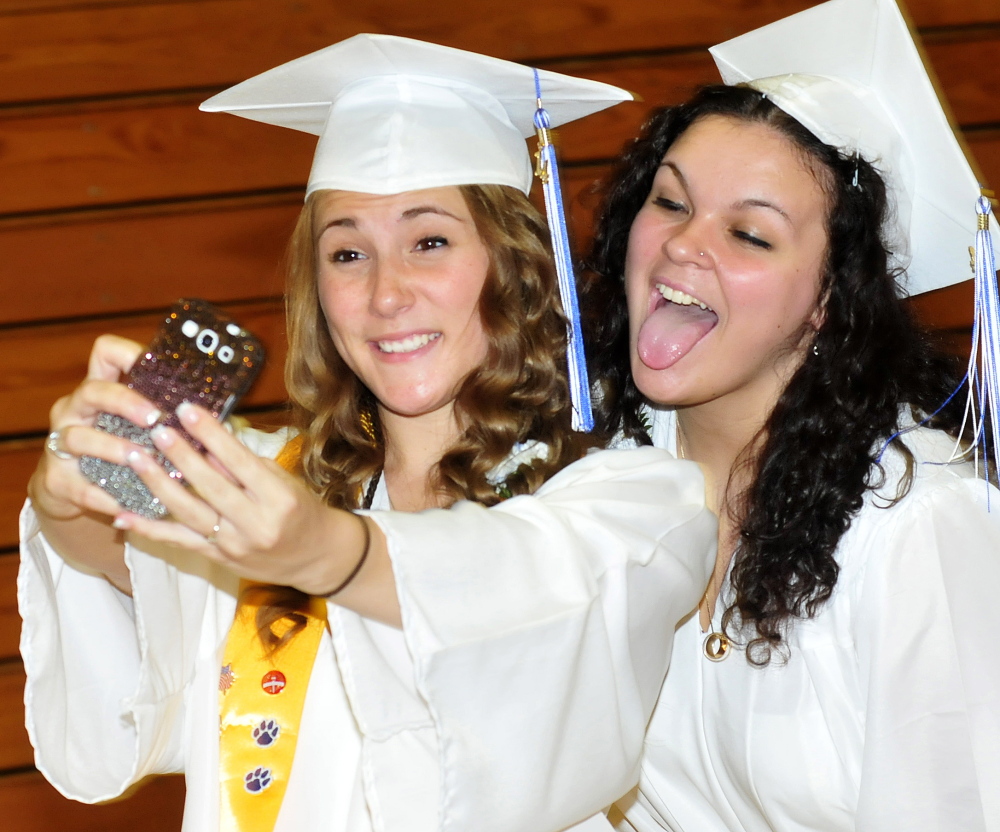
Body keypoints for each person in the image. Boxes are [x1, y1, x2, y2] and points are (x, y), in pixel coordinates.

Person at [19, 36, 717, 832]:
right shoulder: (266, 480)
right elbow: (130, 568)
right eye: (347, 252)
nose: (386, 294)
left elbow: (535, 593)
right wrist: (71, 499)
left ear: (516, 265)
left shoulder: (631, 501)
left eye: (430, 242)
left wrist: (325, 552)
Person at [581, 0, 1000, 828]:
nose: (681, 246)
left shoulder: (918, 523)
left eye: (751, 234)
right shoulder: (601, 465)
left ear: (827, 304)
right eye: (669, 203)